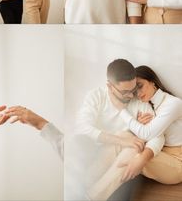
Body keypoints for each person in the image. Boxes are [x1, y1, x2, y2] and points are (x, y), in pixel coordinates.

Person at [66, 59, 164, 201]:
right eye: (125, 92)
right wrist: (122, 139)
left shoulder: (138, 101)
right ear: (110, 86)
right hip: (95, 152)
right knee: (125, 137)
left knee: (135, 148)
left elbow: (158, 135)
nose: (131, 95)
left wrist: (141, 157)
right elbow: (81, 128)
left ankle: (90, 197)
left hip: (121, 157)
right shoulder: (96, 96)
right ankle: (82, 190)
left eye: (133, 89)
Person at [110, 65, 182, 186]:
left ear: (153, 82)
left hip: (178, 160)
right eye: (134, 91)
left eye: (140, 86)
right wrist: (139, 125)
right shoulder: (147, 106)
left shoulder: (173, 103)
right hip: (160, 152)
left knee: (132, 151)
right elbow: (147, 135)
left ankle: (93, 194)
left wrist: (121, 109)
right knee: (123, 138)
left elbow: (147, 133)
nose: (138, 93)